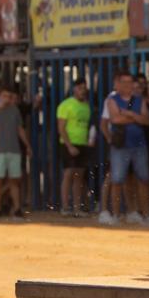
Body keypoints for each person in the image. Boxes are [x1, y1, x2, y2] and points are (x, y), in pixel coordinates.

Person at [104, 72, 149, 225]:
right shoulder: (112, 100)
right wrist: (136, 117)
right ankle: (116, 215)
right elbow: (115, 119)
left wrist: (129, 114)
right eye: (124, 82)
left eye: (130, 82)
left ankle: (146, 215)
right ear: (117, 83)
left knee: (143, 179)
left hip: (139, 145)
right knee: (117, 180)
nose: (127, 85)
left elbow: (146, 120)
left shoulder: (139, 99)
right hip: (120, 146)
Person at [0, 89, 30, 219]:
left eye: (9, 96)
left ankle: (16, 208)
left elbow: (20, 129)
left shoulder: (15, 110)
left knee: (14, 180)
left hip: (14, 149)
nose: (7, 99)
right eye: (4, 96)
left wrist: (27, 145)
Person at [57, 79, 92, 217]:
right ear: (74, 89)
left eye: (84, 88)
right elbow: (61, 128)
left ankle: (77, 208)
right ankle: (65, 207)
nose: (82, 90)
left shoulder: (86, 105)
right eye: (80, 88)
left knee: (79, 176)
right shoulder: (66, 105)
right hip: (69, 144)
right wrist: (69, 145)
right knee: (68, 174)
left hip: (83, 144)